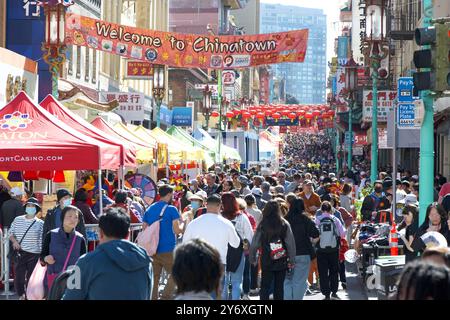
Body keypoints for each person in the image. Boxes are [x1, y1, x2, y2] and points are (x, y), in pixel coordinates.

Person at [63, 208, 152, 300]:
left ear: (100, 233)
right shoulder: (145, 261)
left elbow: (71, 297)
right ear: (128, 234)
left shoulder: (85, 262)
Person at [182, 195, 240, 298]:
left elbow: (185, 243)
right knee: (215, 294)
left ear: (205, 205)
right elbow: (235, 244)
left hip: (198, 263)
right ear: (220, 206)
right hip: (218, 263)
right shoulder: (227, 223)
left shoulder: (194, 223)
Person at [143, 184, 184, 300]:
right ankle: (165, 297)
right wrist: (183, 225)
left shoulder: (150, 208)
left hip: (152, 249)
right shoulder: (172, 209)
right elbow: (177, 230)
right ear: (169, 194)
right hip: (167, 248)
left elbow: (144, 228)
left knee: (154, 278)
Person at [249, 200, 296, 300]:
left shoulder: (262, 224)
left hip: (266, 259)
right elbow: (290, 244)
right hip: (281, 258)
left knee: (265, 285)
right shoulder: (284, 223)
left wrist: (252, 257)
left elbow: (255, 243)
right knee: (279, 287)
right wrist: (291, 260)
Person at [40, 205, 86, 295]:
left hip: (74, 279)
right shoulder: (50, 235)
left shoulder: (80, 239)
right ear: (62, 217)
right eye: (69, 216)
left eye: (76, 217)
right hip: (54, 277)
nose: (73, 219)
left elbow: (84, 262)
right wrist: (46, 259)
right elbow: (42, 257)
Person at [8, 198, 44, 300]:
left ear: (36, 208)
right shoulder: (17, 219)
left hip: (35, 254)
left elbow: (41, 240)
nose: (30, 208)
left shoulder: (40, 223)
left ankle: (29, 296)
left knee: (31, 278)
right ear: (25, 207)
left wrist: (42, 256)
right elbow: (10, 233)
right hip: (20, 253)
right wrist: (14, 241)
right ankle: (21, 295)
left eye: (33, 206)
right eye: (28, 206)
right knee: (19, 278)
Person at [284, 198, 319, 300]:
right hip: (303, 253)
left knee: (286, 280)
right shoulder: (305, 219)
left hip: (286, 255)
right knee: (299, 281)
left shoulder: (285, 220)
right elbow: (316, 234)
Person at [220, 193, 254, 300]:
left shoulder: (219, 217)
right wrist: (247, 246)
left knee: (224, 281)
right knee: (236, 281)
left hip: (222, 251)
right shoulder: (242, 217)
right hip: (238, 252)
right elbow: (249, 236)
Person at [315, 201, 346, 300]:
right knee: (334, 270)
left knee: (323, 271)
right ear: (330, 209)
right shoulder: (335, 219)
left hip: (321, 250)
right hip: (334, 249)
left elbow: (313, 234)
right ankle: (334, 291)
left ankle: (325, 292)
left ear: (321, 209)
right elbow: (342, 234)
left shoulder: (317, 220)